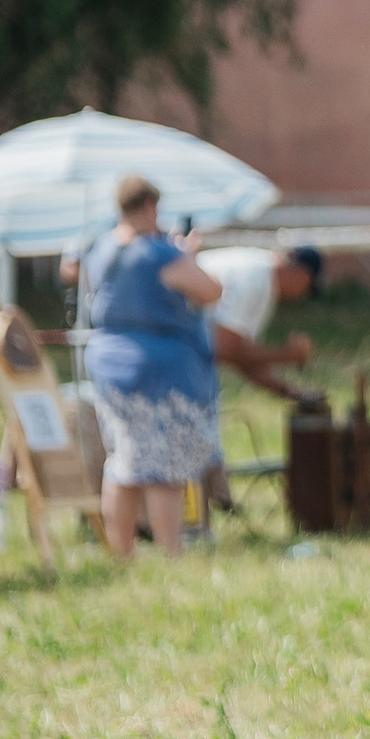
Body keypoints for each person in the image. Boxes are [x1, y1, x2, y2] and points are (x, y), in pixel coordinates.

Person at [78, 175, 222, 559]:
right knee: (163, 469)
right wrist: (186, 255)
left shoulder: (101, 249)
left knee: (122, 462)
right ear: (149, 206)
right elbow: (210, 291)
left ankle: (121, 553)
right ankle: (170, 554)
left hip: (108, 366)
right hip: (157, 371)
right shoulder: (159, 254)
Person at [196, 244, 323, 400]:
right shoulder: (253, 280)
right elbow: (224, 350)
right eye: (308, 288)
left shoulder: (263, 278)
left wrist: (293, 394)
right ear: (302, 275)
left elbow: (245, 357)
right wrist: (286, 354)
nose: (303, 294)